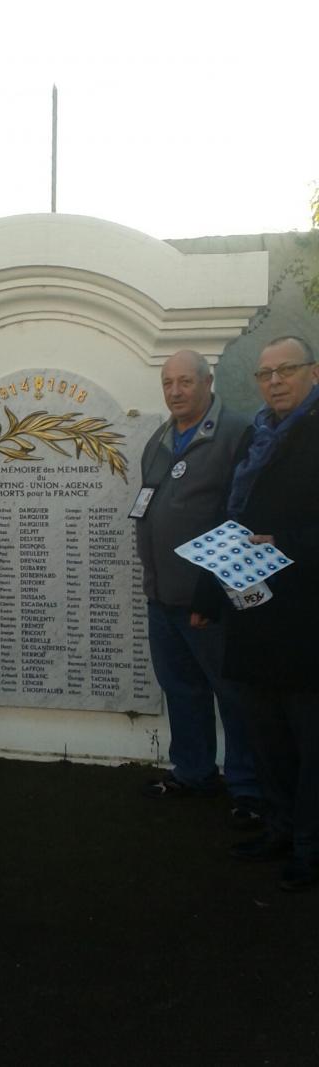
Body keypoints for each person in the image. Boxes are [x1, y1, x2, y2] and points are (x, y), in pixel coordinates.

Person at [204, 337, 319, 890]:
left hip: (304, 615)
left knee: (308, 737)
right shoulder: (258, 433)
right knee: (268, 732)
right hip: (254, 610)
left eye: (287, 370)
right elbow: (236, 512)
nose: (274, 381)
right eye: (265, 373)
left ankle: (310, 845)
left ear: (313, 372)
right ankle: (279, 827)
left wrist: (288, 544)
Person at [135, 349, 261, 821]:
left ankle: (249, 789)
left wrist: (214, 591)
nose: (175, 392)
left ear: (208, 383)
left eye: (185, 382)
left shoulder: (237, 434)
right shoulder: (160, 439)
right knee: (181, 689)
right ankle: (193, 772)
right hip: (163, 597)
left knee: (233, 694)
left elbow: (241, 517)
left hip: (210, 599)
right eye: (168, 383)